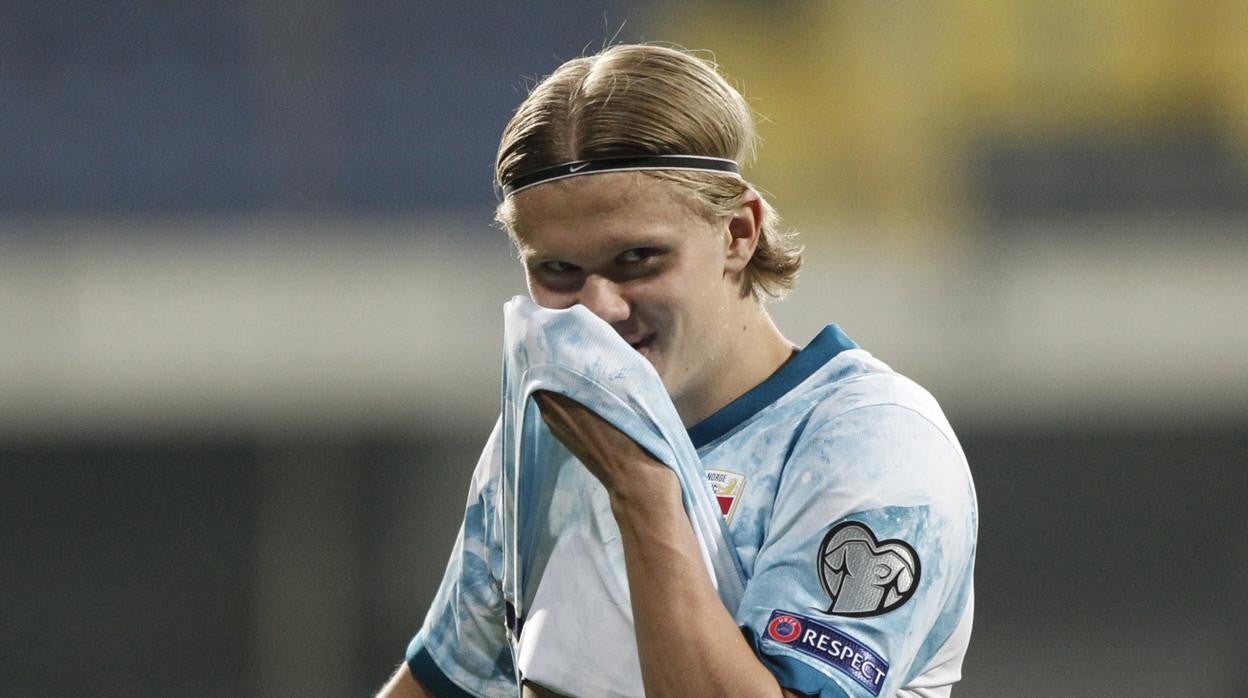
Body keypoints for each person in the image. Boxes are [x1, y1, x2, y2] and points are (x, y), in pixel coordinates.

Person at [378, 44, 977, 698]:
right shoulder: (548, 434)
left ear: (738, 234)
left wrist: (641, 491)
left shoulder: (873, 444)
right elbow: (444, 684)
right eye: (558, 272)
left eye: (638, 258)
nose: (599, 308)